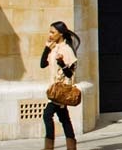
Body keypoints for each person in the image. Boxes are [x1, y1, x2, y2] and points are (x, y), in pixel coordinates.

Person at [41, 21, 81, 150]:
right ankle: (71, 146)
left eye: (53, 32)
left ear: (61, 33)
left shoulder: (67, 50)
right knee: (64, 118)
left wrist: (61, 62)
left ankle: (49, 147)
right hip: (54, 89)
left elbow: (70, 74)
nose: (50, 35)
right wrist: (47, 48)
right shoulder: (54, 48)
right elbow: (42, 64)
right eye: (50, 32)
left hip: (61, 90)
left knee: (47, 114)